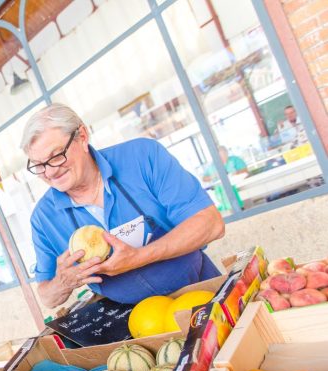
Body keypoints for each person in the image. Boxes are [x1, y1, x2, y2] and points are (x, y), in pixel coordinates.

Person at [21, 103, 225, 307]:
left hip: (201, 289)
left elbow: (211, 224)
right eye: (38, 165)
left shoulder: (142, 156)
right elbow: (47, 297)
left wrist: (139, 257)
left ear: (82, 136)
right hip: (132, 320)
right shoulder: (43, 218)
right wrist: (63, 282)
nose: (50, 172)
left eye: (56, 156)